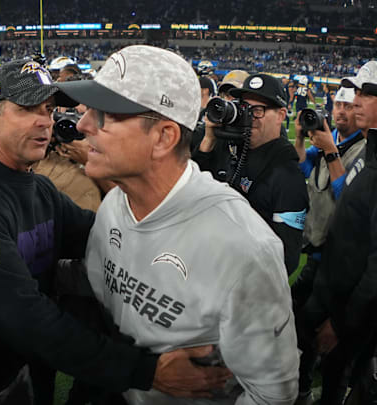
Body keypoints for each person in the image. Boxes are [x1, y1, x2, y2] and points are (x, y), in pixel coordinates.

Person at [0, 59, 233, 405]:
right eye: (27, 109)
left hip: (24, 365)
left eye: (47, 109)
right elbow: (25, 316)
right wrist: (148, 371)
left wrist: (189, 249)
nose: (44, 121)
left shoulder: (37, 188)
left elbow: (104, 237)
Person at [57, 44, 299, 405]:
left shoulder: (243, 247)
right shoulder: (116, 203)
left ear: (164, 137)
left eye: (105, 115)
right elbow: (102, 297)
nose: (83, 125)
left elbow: (272, 395)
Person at [295, 60, 377, 405]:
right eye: (356, 91)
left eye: (367, 93)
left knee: (334, 380)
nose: (356, 100)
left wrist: (341, 324)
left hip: (347, 310)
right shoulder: (369, 152)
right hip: (330, 290)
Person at [193, 73, 309, 276]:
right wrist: (209, 140)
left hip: (242, 284)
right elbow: (190, 192)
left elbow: (287, 259)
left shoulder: (287, 174)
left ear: (281, 115)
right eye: (245, 108)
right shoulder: (232, 148)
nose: (249, 117)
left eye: (258, 110)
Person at [291, 86, 364, 309]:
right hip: (316, 243)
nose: (341, 111)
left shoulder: (364, 147)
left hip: (338, 252)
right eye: (339, 105)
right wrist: (300, 138)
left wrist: (331, 151)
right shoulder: (330, 137)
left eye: (348, 107)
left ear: (358, 111)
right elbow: (303, 167)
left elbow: (347, 197)